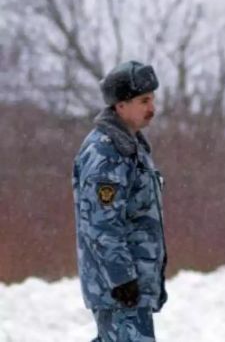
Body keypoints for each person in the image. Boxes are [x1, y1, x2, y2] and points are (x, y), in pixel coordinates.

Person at [72, 61, 167, 341]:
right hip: (120, 290)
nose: (152, 108)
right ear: (120, 106)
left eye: (152, 99)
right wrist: (122, 278)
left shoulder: (130, 147)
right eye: (143, 100)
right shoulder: (107, 153)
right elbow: (101, 224)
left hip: (129, 287)